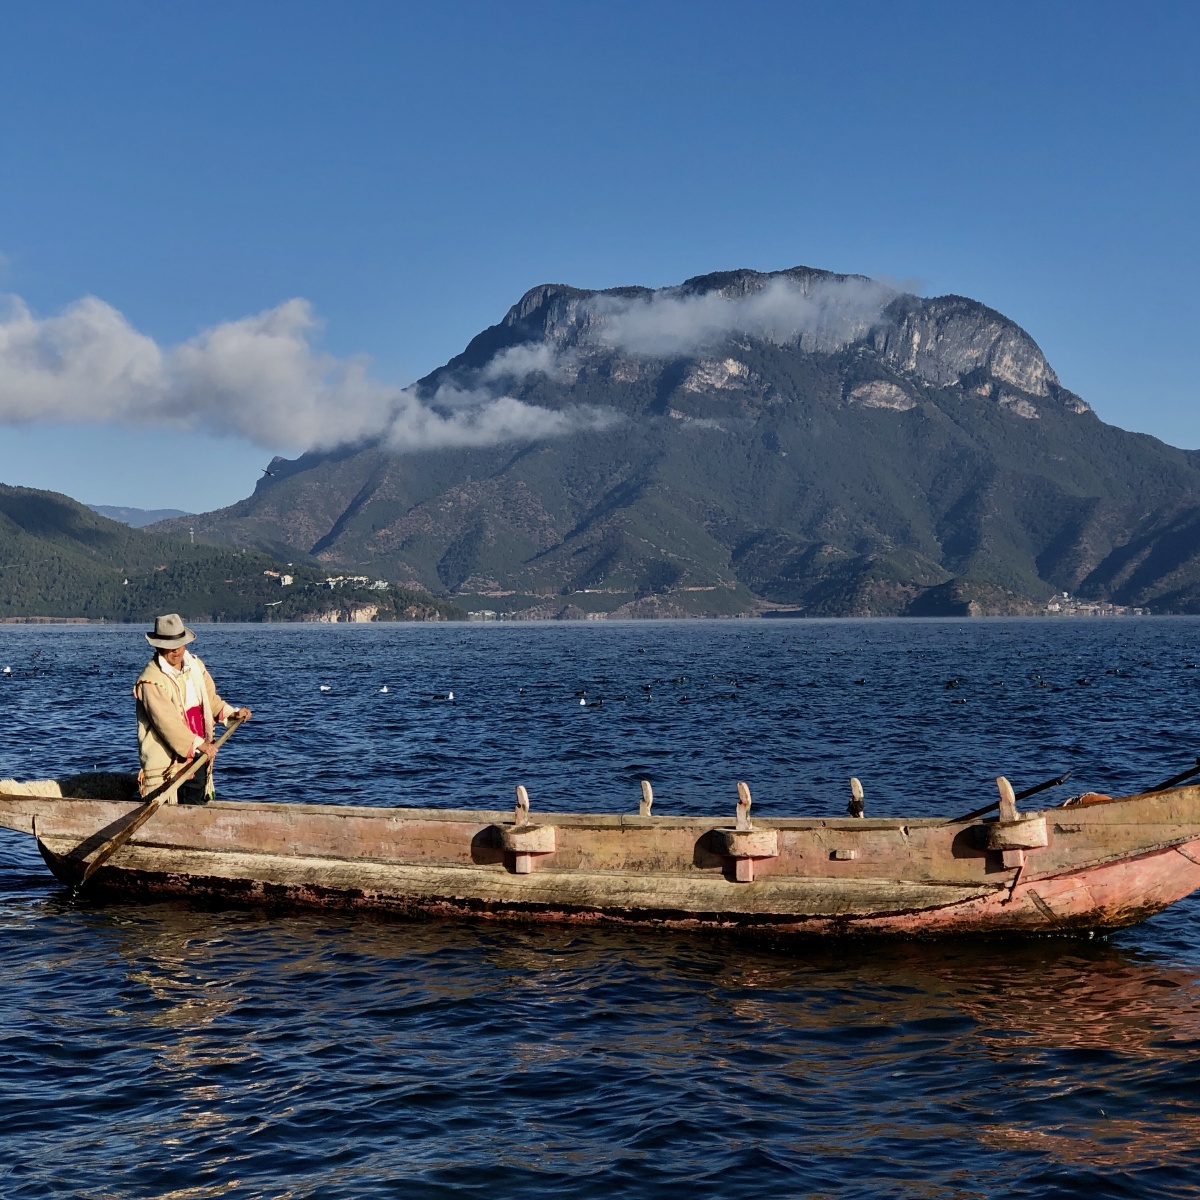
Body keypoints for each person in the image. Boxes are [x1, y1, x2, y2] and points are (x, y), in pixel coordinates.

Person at [133, 614, 252, 804]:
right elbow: (167, 724)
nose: (176, 651)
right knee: (166, 814)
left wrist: (232, 713)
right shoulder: (151, 681)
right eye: (170, 646)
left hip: (198, 757)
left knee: (195, 808)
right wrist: (198, 745)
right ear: (158, 646)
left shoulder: (195, 666)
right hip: (167, 765)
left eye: (179, 644)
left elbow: (210, 701)